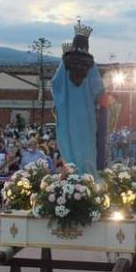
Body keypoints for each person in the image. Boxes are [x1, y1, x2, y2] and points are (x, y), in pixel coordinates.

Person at [51, 20, 105, 176]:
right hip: (86, 114)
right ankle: (87, 175)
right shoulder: (90, 65)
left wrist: (62, 99)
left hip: (68, 112)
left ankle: (72, 173)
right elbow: (98, 89)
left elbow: (55, 83)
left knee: (68, 141)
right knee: (86, 144)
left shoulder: (65, 63)